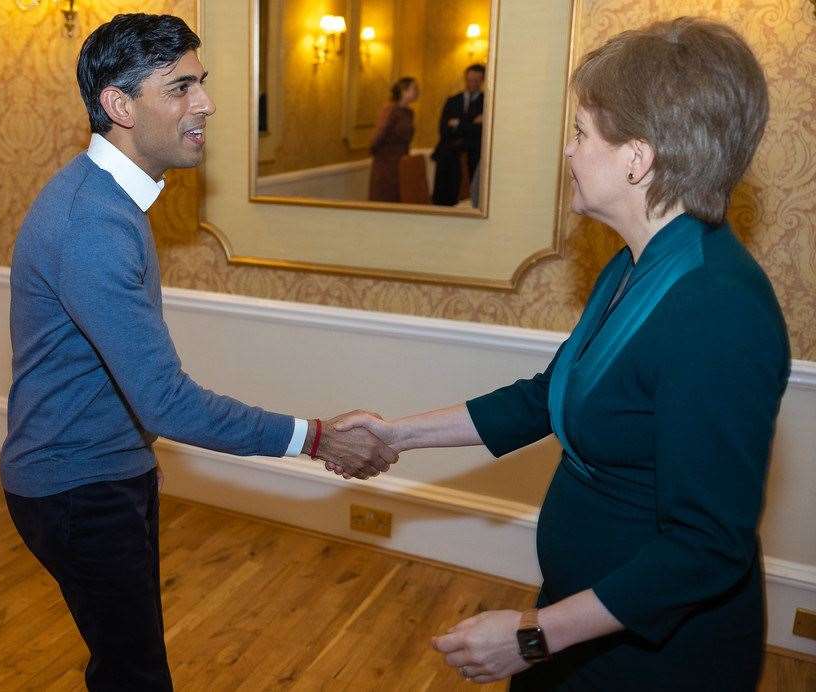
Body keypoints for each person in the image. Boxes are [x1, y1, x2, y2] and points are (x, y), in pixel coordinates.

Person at [335, 17, 788, 691]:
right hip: (586, 618)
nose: (568, 152)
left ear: (637, 157)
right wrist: (396, 434)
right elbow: (546, 397)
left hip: (655, 653)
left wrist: (532, 636)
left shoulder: (717, 307)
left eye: (580, 133)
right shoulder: (637, 266)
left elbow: (706, 547)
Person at [0, 13, 396, 691]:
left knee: (124, 667)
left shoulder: (107, 201)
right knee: (137, 677)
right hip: (75, 490)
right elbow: (169, 402)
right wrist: (320, 439)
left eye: (201, 83)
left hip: (105, 474)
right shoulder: (91, 225)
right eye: (181, 87)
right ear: (119, 106)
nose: (205, 103)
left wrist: (135, 461)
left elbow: (132, 393)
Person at [431, 64, 484, 206]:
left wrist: (458, 124)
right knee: (443, 199)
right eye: (470, 79)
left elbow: (481, 131)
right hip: (448, 156)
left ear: (482, 81)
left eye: (476, 80)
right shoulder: (452, 100)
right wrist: (471, 123)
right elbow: (443, 129)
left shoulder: (487, 102)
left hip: (473, 157)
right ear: (465, 79)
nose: (472, 83)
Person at [368, 77, 418, 202]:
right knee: (385, 197)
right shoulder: (390, 110)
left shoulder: (409, 112)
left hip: (401, 161)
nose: (417, 91)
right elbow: (378, 135)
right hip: (386, 163)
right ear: (403, 91)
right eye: (414, 88)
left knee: (399, 197)